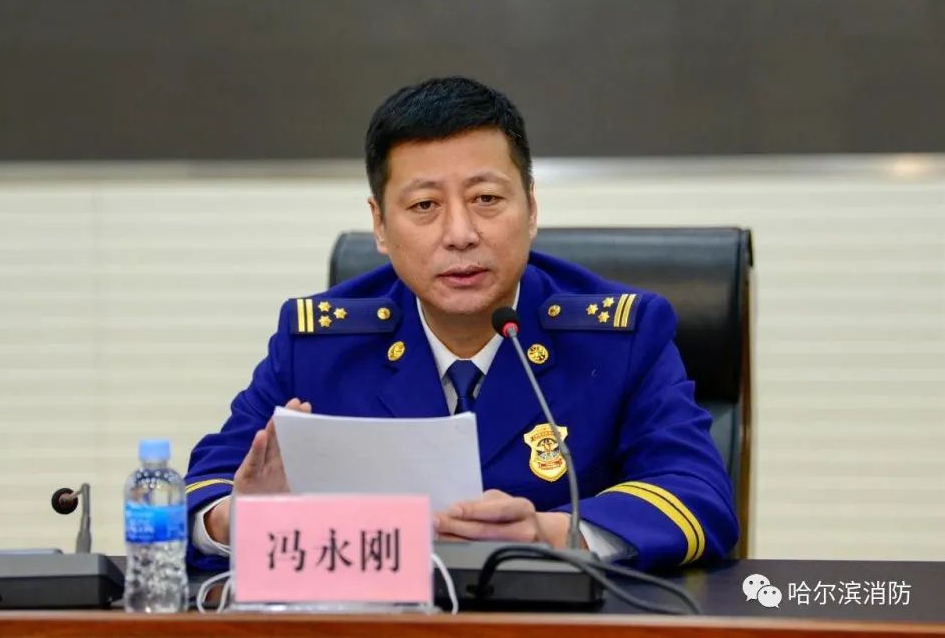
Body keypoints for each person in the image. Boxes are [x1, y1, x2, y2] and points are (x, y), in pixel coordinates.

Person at [185, 76, 738, 572]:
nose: (460, 234)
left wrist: (551, 534)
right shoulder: (319, 344)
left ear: (531, 208)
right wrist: (239, 519)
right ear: (380, 226)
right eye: (424, 206)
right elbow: (202, 491)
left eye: (486, 199)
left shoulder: (619, 337)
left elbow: (698, 497)